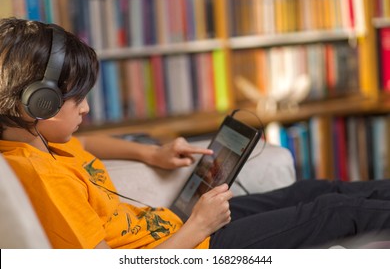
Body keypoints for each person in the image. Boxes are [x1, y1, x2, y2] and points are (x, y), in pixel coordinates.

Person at [1, 18, 390, 249]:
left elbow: (86, 143)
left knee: (312, 191)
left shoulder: (38, 141)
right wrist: (198, 228)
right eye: (77, 100)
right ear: (39, 105)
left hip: (178, 225)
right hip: (195, 248)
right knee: (334, 211)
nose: (86, 109)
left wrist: (151, 155)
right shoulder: (41, 179)